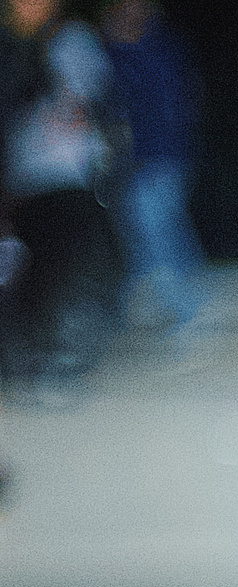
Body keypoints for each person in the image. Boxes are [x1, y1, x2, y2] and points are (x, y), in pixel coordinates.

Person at [3, 0, 118, 388]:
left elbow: (83, 102)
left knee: (57, 266)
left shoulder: (67, 40)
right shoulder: (17, 45)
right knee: (34, 269)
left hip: (61, 176)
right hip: (26, 178)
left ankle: (46, 358)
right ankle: (32, 360)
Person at [100, 0, 207, 344]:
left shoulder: (161, 50)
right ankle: (182, 306)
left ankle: (188, 312)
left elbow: (178, 103)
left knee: (154, 231)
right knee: (156, 234)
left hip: (162, 157)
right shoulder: (106, 53)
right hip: (126, 163)